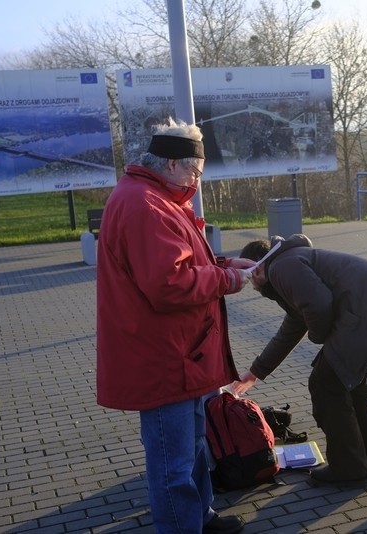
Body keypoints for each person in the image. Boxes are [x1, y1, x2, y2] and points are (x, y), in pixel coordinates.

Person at [96, 117, 250, 534]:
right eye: (195, 171)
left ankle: (201, 516)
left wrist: (228, 264)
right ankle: (183, 527)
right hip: (165, 358)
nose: (197, 181)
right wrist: (230, 280)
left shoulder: (154, 198)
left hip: (182, 354)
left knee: (195, 448)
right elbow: (168, 285)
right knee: (173, 462)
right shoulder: (145, 205)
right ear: (172, 164)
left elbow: (184, 264)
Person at [231, 234, 367, 488]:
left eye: (247, 271)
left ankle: (349, 468)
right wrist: (256, 371)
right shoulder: (288, 263)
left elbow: (319, 306)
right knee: (350, 382)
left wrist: (320, 337)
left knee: (325, 384)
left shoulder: (281, 267)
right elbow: (294, 323)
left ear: (257, 266)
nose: (247, 280)